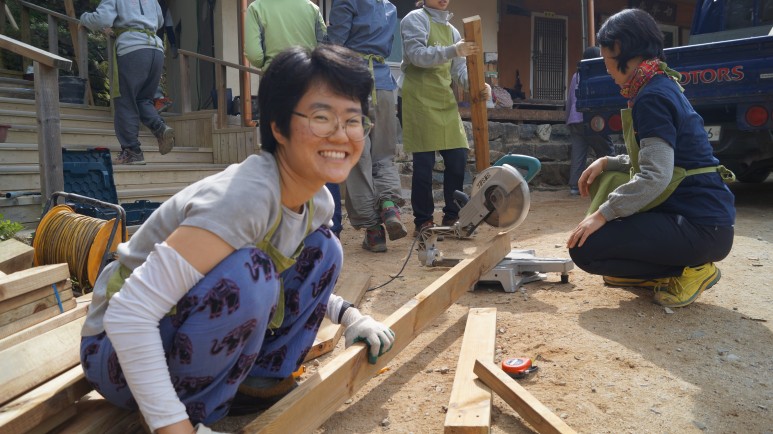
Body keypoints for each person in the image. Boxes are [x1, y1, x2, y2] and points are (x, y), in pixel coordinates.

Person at [79, 45, 396, 434]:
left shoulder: (317, 200)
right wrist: (175, 428)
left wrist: (351, 317)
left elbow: (287, 275)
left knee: (324, 249)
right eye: (321, 117)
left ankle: (258, 383)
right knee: (251, 273)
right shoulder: (243, 197)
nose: (341, 134)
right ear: (278, 127)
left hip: (176, 329)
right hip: (114, 353)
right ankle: (193, 414)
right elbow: (129, 316)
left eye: (353, 120)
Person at [566, 9, 735, 308]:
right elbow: (659, 159)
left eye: (607, 60)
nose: (606, 69)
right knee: (605, 198)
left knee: (587, 248)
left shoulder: (652, 97)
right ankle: (654, 272)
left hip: (700, 226)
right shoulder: (659, 85)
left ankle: (692, 270)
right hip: (706, 224)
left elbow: (656, 175)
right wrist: (608, 161)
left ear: (621, 51)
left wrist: (602, 213)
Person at [243, 0, 347, 239]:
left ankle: (283, 229)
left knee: (278, 156)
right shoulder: (311, 8)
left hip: (276, 83)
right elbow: (324, 42)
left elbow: (255, 54)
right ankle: (331, 226)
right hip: (311, 83)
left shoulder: (258, 8)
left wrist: (271, 60)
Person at [399, 0, 490, 235]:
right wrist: (454, 50)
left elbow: (458, 71)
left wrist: (478, 85)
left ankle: (452, 215)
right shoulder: (414, 19)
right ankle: (423, 220)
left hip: (443, 99)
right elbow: (417, 55)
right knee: (424, 165)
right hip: (418, 98)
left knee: (458, 156)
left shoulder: (453, 31)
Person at [328, 0, 408, 252]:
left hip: (352, 83)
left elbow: (335, 44)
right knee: (383, 154)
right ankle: (388, 205)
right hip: (384, 84)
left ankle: (374, 232)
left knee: (356, 158)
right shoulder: (389, 7)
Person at [80, 0, 175, 166]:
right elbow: (159, 21)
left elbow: (102, 19)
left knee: (125, 99)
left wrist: (84, 18)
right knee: (143, 99)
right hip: (156, 50)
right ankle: (160, 128)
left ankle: (132, 151)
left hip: (133, 49)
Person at [566, 46, 615, 196]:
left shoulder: (576, 75)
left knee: (578, 154)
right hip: (593, 120)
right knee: (606, 151)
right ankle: (611, 183)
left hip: (574, 120)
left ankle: (574, 187)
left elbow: (570, 100)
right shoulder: (599, 74)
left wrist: (568, 118)